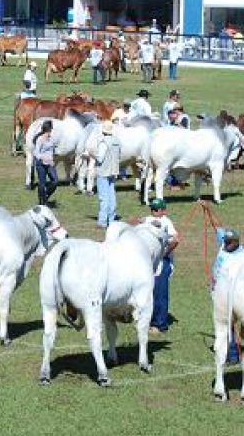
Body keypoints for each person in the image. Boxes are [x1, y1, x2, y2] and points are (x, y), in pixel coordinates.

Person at [129, 199, 178, 333]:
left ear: (163, 210)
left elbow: (175, 240)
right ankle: (146, 319)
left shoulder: (166, 221)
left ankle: (160, 323)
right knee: (145, 291)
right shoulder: (147, 219)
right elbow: (138, 223)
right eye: (153, 209)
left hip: (162, 262)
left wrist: (164, 254)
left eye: (157, 209)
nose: (154, 212)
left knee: (160, 293)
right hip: (147, 262)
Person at [212, 227, 243, 364]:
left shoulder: (241, 257)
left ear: (236, 242)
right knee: (223, 324)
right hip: (218, 293)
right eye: (225, 241)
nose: (226, 244)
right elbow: (218, 230)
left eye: (229, 242)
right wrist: (206, 207)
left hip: (231, 295)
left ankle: (233, 355)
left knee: (229, 325)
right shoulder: (224, 246)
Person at [94, 118, 120, 229]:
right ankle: (112, 218)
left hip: (103, 171)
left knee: (103, 197)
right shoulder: (116, 141)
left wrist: (91, 155)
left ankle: (103, 221)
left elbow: (100, 158)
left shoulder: (103, 142)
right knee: (111, 195)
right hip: (113, 170)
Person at [33, 120, 58, 207]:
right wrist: (44, 158)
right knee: (42, 183)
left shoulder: (52, 139)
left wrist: (52, 159)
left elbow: (52, 150)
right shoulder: (40, 140)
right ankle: (41, 202)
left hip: (50, 164)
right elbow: (36, 153)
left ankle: (46, 195)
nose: (51, 132)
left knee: (55, 181)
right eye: (50, 129)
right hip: (41, 164)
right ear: (47, 130)